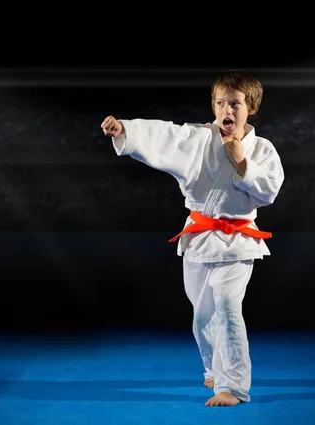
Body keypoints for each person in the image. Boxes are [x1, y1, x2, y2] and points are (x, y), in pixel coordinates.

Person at [100, 69, 285, 407]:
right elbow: (165, 135)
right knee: (202, 315)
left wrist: (242, 162)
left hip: (238, 239)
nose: (226, 111)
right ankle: (213, 368)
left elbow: (269, 192)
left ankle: (233, 386)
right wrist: (127, 130)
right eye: (220, 103)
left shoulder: (263, 150)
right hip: (200, 236)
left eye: (235, 104)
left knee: (228, 307)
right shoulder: (199, 138)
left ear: (251, 108)